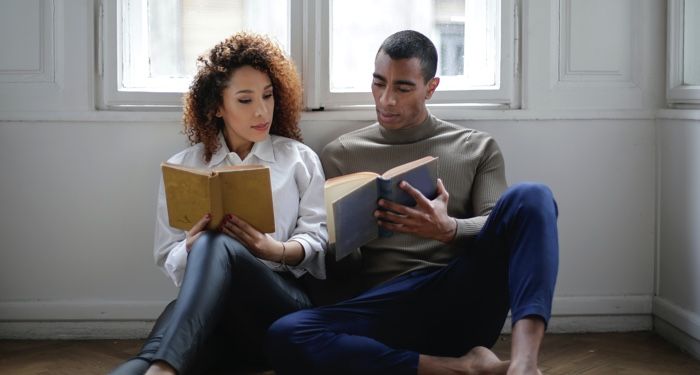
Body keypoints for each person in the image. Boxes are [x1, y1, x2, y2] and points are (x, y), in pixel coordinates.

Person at [266, 30, 559, 375]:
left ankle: (524, 364)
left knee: (533, 195)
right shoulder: (341, 154)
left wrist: (449, 229)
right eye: (378, 83)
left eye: (403, 88)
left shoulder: (476, 147)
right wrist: (349, 239)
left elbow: (498, 221)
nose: (386, 99)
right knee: (285, 335)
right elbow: (339, 270)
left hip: (458, 293)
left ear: (430, 88)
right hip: (385, 305)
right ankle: (461, 368)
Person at [109, 32, 327, 375]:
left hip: (279, 311)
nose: (261, 110)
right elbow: (168, 256)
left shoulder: (299, 160)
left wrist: (275, 250)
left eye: (268, 96)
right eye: (245, 100)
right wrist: (190, 246)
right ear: (216, 107)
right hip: (216, 319)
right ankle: (161, 367)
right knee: (147, 361)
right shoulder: (185, 166)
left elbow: (318, 242)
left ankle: (164, 367)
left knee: (214, 244)